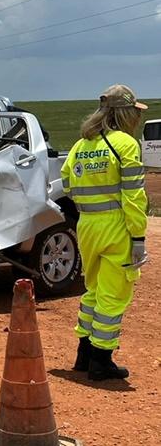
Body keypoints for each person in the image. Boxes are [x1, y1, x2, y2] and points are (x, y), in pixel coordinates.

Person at [61, 84, 149, 381]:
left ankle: (84, 355)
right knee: (114, 295)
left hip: (87, 225)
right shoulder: (125, 144)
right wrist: (138, 237)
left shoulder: (81, 144)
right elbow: (134, 196)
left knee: (94, 291)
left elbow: (67, 183)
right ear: (125, 113)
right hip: (116, 227)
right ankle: (101, 360)